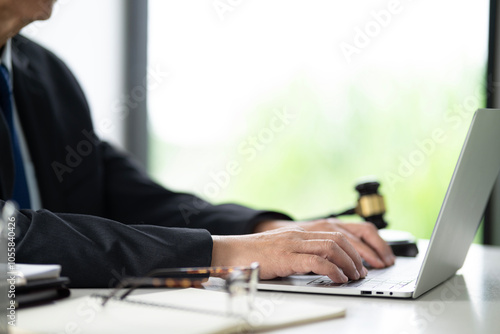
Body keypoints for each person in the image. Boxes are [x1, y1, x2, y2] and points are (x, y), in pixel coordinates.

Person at [0, 0, 394, 288]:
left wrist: (270, 232)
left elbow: (138, 200)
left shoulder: (47, 75)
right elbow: (9, 239)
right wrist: (222, 252)